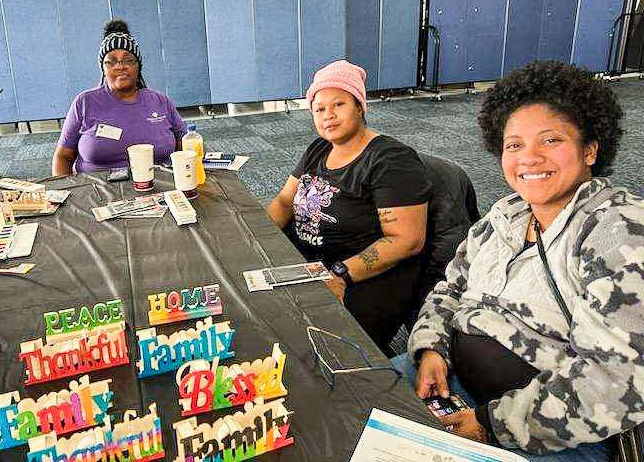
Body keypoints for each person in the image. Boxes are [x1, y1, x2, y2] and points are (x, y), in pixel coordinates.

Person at [394, 61, 644, 461]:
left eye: (550, 141)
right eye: (514, 145)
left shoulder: (621, 234)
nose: (529, 158)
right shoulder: (506, 215)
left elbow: (615, 381)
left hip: (548, 426)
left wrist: (493, 425)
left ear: (591, 150)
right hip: (449, 381)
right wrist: (430, 350)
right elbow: (450, 288)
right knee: (346, 410)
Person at [267, 60, 430, 351]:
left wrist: (340, 274)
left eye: (338, 104)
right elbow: (283, 201)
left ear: (359, 107)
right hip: (310, 263)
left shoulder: (390, 160)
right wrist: (259, 235)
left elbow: (406, 240)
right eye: (319, 109)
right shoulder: (319, 148)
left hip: (363, 275)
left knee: (304, 348)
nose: (327, 115)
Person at [52, 19, 187, 175]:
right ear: (103, 69)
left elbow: (185, 145)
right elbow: (63, 156)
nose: (120, 66)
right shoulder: (84, 103)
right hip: (98, 194)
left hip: (156, 189)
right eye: (111, 61)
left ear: (139, 66)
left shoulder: (160, 101)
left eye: (128, 60)